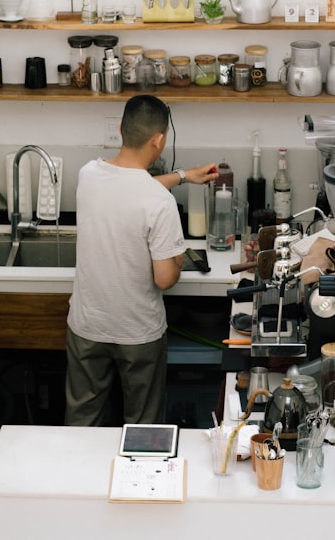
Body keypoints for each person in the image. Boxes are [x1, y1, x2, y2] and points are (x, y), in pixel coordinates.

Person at [65, 94, 219, 426]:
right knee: (142, 428)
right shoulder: (158, 203)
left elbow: (128, 187)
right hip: (138, 334)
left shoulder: (88, 174)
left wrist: (182, 176)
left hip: (87, 327)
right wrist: (177, 258)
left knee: (82, 422)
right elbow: (164, 278)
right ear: (159, 140)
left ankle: (77, 475)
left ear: (121, 128)